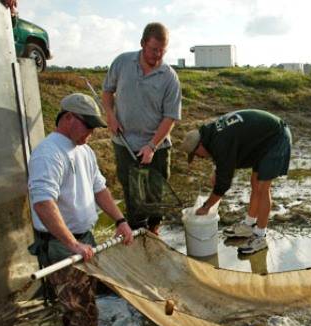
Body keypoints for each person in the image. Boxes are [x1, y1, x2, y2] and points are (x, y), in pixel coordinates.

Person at [28, 93, 134, 326]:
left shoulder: (84, 151)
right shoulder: (48, 153)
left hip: (83, 240)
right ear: (68, 119)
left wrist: (120, 220)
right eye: (87, 125)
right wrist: (72, 243)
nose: (91, 132)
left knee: (85, 305)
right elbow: (43, 202)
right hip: (63, 246)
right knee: (79, 313)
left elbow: (100, 189)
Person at [102, 22, 182, 234]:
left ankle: (154, 231)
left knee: (156, 195)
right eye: (154, 50)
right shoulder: (122, 63)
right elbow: (107, 92)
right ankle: (137, 232)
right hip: (124, 142)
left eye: (162, 51)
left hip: (157, 146)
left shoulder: (169, 77)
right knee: (132, 193)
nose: (158, 56)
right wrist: (110, 116)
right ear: (143, 43)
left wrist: (152, 146)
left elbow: (170, 117)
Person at [179, 109, 292, 255]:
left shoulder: (220, 141)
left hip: (276, 138)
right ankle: (249, 225)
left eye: (197, 155)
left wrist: (206, 206)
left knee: (263, 188)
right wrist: (217, 169)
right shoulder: (211, 133)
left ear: (200, 145)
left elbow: (223, 184)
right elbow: (223, 150)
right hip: (262, 139)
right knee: (255, 183)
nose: (200, 158)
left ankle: (260, 236)